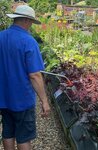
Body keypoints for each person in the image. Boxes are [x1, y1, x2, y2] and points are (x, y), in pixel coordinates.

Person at [0, 5, 50, 150]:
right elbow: (34, 75)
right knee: (23, 137)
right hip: (22, 99)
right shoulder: (29, 41)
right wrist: (44, 101)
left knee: (8, 131)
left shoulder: (1, 36)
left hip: (3, 97)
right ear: (27, 21)